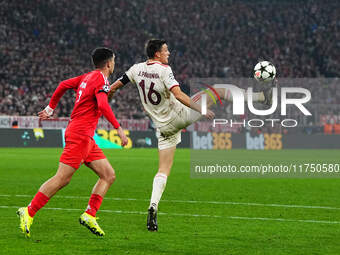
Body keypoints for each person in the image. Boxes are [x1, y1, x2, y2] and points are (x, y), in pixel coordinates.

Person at [108, 39, 272, 231]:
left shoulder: (136, 69)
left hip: (162, 127)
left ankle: (153, 206)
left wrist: (108, 94)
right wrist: (201, 108)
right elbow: (178, 95)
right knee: (218, 90)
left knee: (163, 170)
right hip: (179, 115)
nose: (168, 53)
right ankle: (262, 97)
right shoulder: (164, 70)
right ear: (157, 54)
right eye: (166, 51)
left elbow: (116, 86)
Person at [17, 47, 128, 238]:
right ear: (109, 63)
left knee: (108, 175)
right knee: (62, 179)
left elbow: (62, 85)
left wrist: (51, 108)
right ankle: (28, 211)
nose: (114, 64)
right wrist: (118, 128)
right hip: (80, 135)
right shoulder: (101, 79)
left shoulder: (87, 77)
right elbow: (102, 104)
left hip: (85, 137)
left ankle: (89, 214)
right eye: (114, 61)